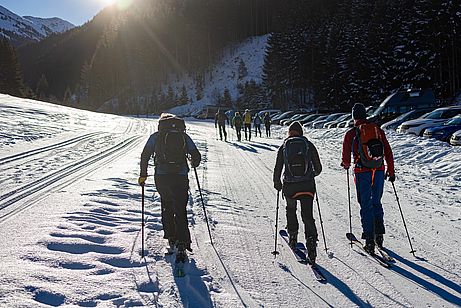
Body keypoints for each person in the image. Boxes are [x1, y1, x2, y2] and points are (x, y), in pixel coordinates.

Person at [138, 113, 201, 262]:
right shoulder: (183, 136)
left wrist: (143, 175)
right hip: (180, 176)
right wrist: (193, 163)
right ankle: (183, 242)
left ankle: (171, 238)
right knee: (180, 208)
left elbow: (145, 155)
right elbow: (196, 155)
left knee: (167, 205)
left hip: (162, 177)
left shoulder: (156, 136)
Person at [341, 103, 395, 254]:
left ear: (354, 117)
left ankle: (369, 240)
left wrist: (345, 164)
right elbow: (388, 151)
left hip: (362, 171)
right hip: (378, 170)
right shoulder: (377, 130)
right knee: (376, 202)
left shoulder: (351, 133)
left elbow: (346, 158)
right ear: (365, 115)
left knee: (365, 204)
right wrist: (391, 170)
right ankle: (379, 236)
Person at [273, 121, 322, 264]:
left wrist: (277, 183)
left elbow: (278, 168)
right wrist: (310, 175)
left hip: (290, 187)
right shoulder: (308, 145)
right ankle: (312, 245)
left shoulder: (284, 147)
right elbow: (318, 168)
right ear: (301, 132)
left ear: (289, 132)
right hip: (307, 187)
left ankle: (293, 237)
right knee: (308, 216)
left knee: (291, 209)